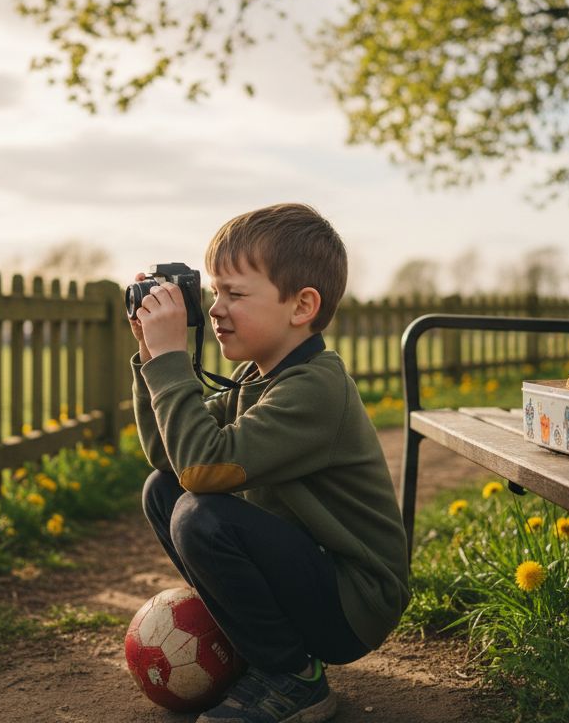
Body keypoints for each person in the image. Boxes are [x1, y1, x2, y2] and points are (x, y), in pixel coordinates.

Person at [129, 203, 411, 723]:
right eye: (215, 292)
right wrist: (152, 358)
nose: (215, 308)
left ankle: (295, 679)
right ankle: (259, 649)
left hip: (354, 600)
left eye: (234, 293)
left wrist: (172, 364)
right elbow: (168, 458)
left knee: (200, 514)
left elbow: (201, 470)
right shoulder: (259, 383)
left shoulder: (315, 389)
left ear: (301, 306)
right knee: (160, 491)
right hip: (313, 574)